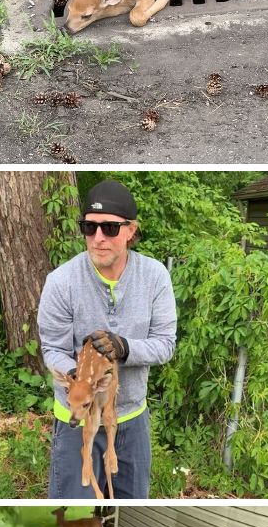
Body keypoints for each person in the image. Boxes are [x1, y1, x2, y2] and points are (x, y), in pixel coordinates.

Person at [38, 179, 177, 500]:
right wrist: (79, 380)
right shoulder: (61, 282)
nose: (98, 238)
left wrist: (125, 348)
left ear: (131, 230)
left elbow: (165, 344)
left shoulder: (155, 277)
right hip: (77, 422)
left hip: (131, 420)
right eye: (89, 227)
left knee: (131, 507)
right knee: (76, 506)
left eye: (110, 229)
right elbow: (53, 348)